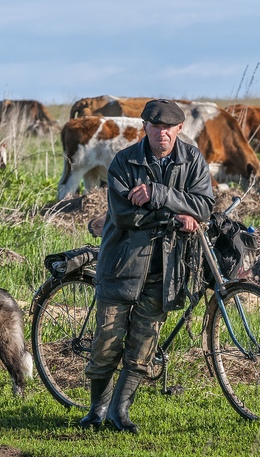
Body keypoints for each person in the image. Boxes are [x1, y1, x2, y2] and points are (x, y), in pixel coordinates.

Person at [80, 99, 215, 433]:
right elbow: (125, 215)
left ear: (179, 129)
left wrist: (157, 193)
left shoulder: (192, 159)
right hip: (122, 263)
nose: (162, 134)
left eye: (168, 128)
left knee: (143, 345)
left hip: (165, 268)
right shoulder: (124, 162)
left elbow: (204, 206)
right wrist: (175, 214)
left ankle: (119, 413)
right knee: (107, 343)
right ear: (145, 128)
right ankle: (96, 411)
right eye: (155, 128)